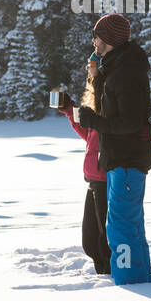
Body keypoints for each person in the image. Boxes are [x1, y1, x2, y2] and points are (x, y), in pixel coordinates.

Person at [73, 12, 151, 285]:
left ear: (107, 38)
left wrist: (91, 120)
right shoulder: (118, 68)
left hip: (126, 160)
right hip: (119, 160)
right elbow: (115, 111)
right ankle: (141, 279)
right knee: (130, 225)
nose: (93, 40)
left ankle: (130, 284)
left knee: (120, 228)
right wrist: (97, 78)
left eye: (96, 35)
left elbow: (130, 122)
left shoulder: (127, 72)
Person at [57, 54, 110, 274]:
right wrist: (69, 108)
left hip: (107, 179)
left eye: (91, 66)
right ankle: (105, 275)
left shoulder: (109, 95)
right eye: (87, 66)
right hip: (93, 179)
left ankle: (111, 278)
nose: (88, 70)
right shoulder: (95, 96)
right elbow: (89, 132)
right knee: (90, 241)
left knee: (102, 240)